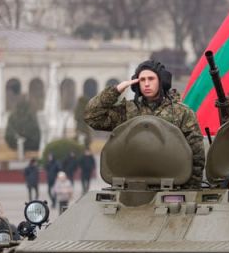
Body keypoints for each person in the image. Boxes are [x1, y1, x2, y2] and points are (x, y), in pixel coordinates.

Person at [84, 59, 205, 187]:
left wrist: (190, 187)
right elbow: (92, 116)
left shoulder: (181, 112)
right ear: (136, 83)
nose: (146, 84)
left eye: (151, 79)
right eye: (142, 80)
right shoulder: (127, 111)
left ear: (161, 81)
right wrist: (116, 90)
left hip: (172, 185)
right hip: (132, 185)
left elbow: (196, 152)